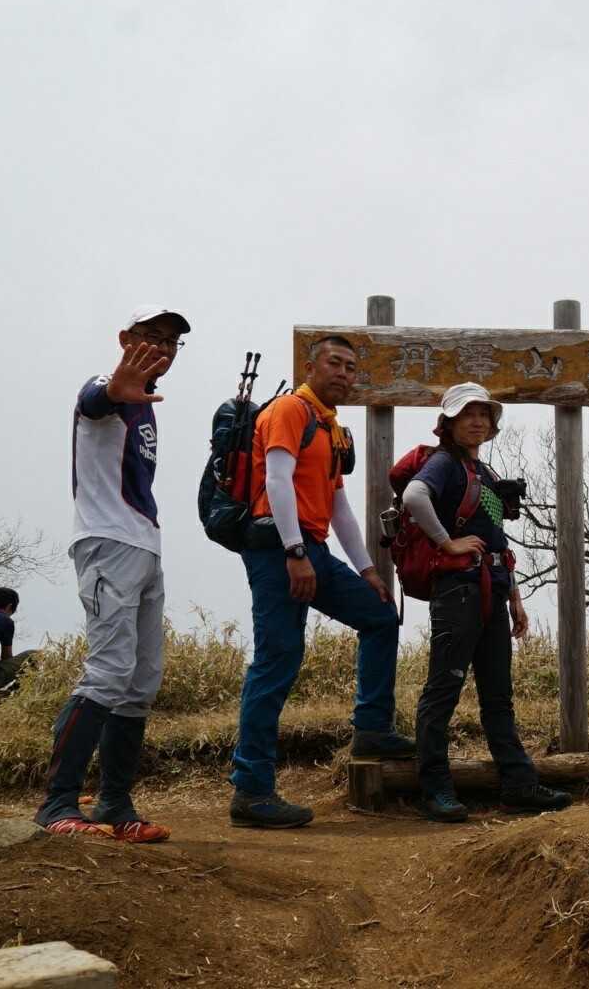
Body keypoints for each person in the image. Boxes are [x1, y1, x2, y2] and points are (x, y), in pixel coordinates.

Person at [229, 334, 410, 828]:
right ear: (310, 367)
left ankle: (372, 729)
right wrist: (293, 552)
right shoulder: (290, 409)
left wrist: (368, 570)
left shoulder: (329, 427)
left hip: (313, 549)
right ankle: (251, 790)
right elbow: (276, 480)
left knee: (380, 616)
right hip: (278, 549)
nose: (344, 374)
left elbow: (338, 507)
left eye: (351, 367)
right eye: (335, 363)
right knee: (277, 660)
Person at [35, 306, 190, 843]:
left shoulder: (145, 403)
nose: (162, 348)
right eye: (151, 336)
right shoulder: (105, 387)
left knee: (140, 681)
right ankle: (57, 805)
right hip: (107, 543)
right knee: (107, 673)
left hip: (144, 544)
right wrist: (117, 389)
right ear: (125, 339)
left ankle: (115, 803)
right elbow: (94, 400)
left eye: (171, 342)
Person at [405, 383, 571, 823]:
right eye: (468, 414)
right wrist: (448, 543)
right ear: (449, 422)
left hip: (490, 590)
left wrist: (514, 595)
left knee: (498, 694)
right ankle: (435, 788)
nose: (478, 422)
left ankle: (519, 785)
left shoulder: (482, 471)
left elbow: (497, 539)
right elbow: (414, 496)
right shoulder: (444, 463)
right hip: (458, 591)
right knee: (444, 690)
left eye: (484, 415)